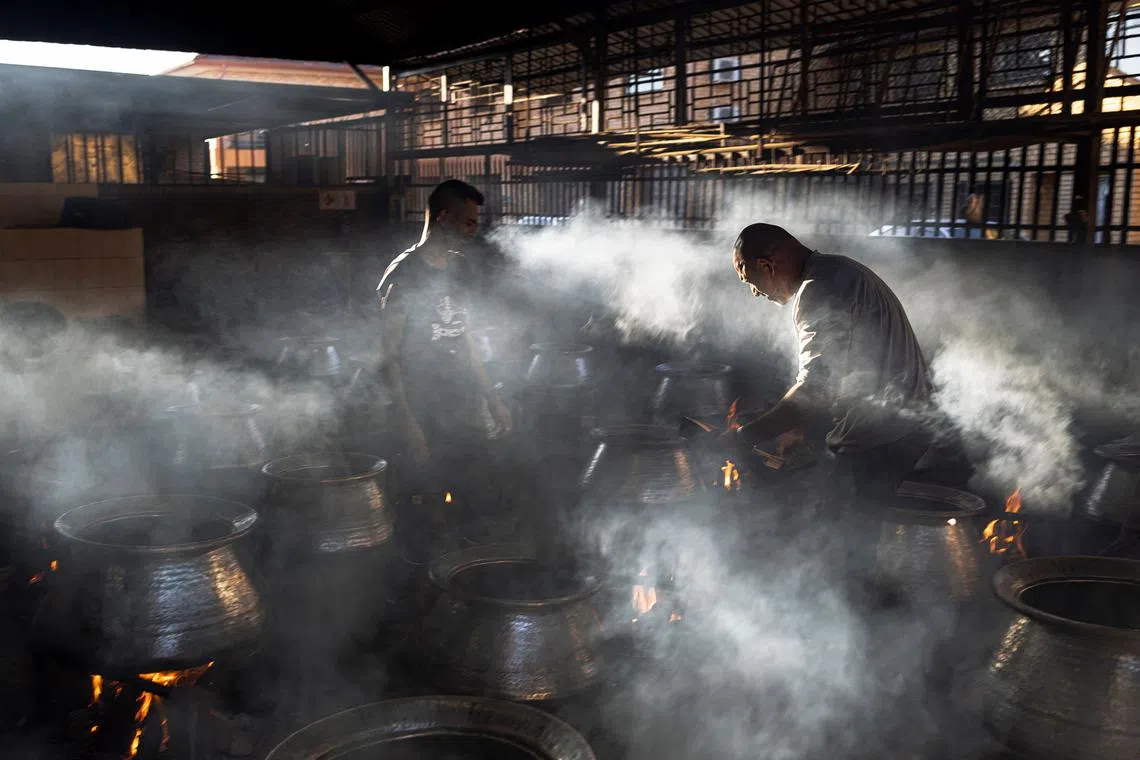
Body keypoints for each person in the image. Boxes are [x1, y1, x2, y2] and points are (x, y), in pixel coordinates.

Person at [723, 223, 970, 507]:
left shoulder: (818, 291)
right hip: (906, 428)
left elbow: (816, 389)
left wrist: (747, 436)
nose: (755, 293)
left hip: (881, 439)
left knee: (842, 535)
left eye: (748, 280)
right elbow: (844, 372)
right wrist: (796, 426)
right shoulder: (840, 271)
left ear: (766, 266)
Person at [377, 180, 514, 546]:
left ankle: (467, 561)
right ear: (442, 218)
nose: (474, 230)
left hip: (461, 404)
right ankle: (425, 574)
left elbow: (466, 339)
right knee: (424, 500)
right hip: (421, 406)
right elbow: (387, 356)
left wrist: (491, 398)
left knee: (472, 491)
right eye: (468, 222)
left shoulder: (459, 269)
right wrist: (407, 421)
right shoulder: (403, 276)